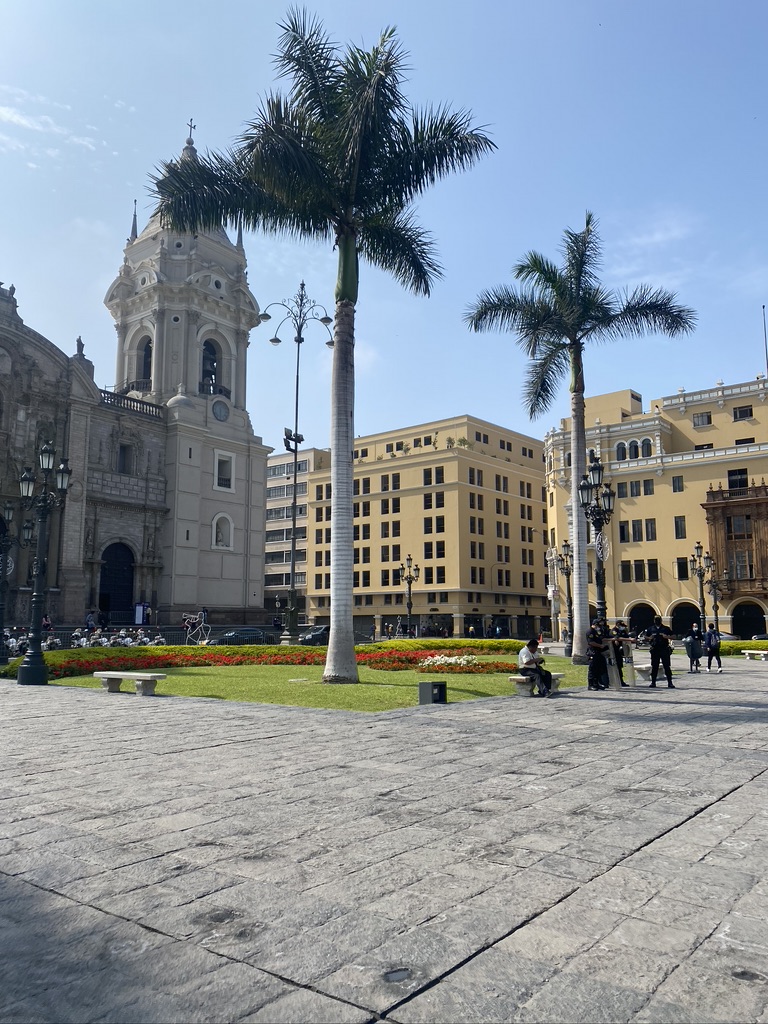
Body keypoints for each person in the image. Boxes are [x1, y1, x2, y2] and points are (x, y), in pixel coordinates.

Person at [646, 615, 675, 688]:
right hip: (655, 649)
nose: (657, 621)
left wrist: (667, 637)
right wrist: (649, 638)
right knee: (654, 666)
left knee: (667, 666)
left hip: (664, 649)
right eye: (656, 620)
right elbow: (645, 637)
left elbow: (674, 636)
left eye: (658, 619)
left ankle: (670, 682)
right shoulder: (651, 629)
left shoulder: (666, 628)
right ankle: (653, 682)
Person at [586, 618, 610, 690]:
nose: (601, 626)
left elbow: (601, 638)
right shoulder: (590, 631)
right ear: (596, 624)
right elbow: (591, 642)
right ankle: (591, 685)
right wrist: (600, 646)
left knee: (598, 668)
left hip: (598, 652)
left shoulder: (597, 631)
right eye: (600, 624)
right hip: (592, 652)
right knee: (592, 669)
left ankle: (596, 684)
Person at [612, 620, 631, 687]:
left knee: (620, 666)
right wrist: (617, 639)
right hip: (615, 651)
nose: (623, 627)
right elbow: (615, 636)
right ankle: (617, 681)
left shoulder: (623, 631)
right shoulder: (614, 630)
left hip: (622, 651)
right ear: (618, 624)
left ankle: (621, 681)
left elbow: (626, 637)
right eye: (621, 626)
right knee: (616, 666)